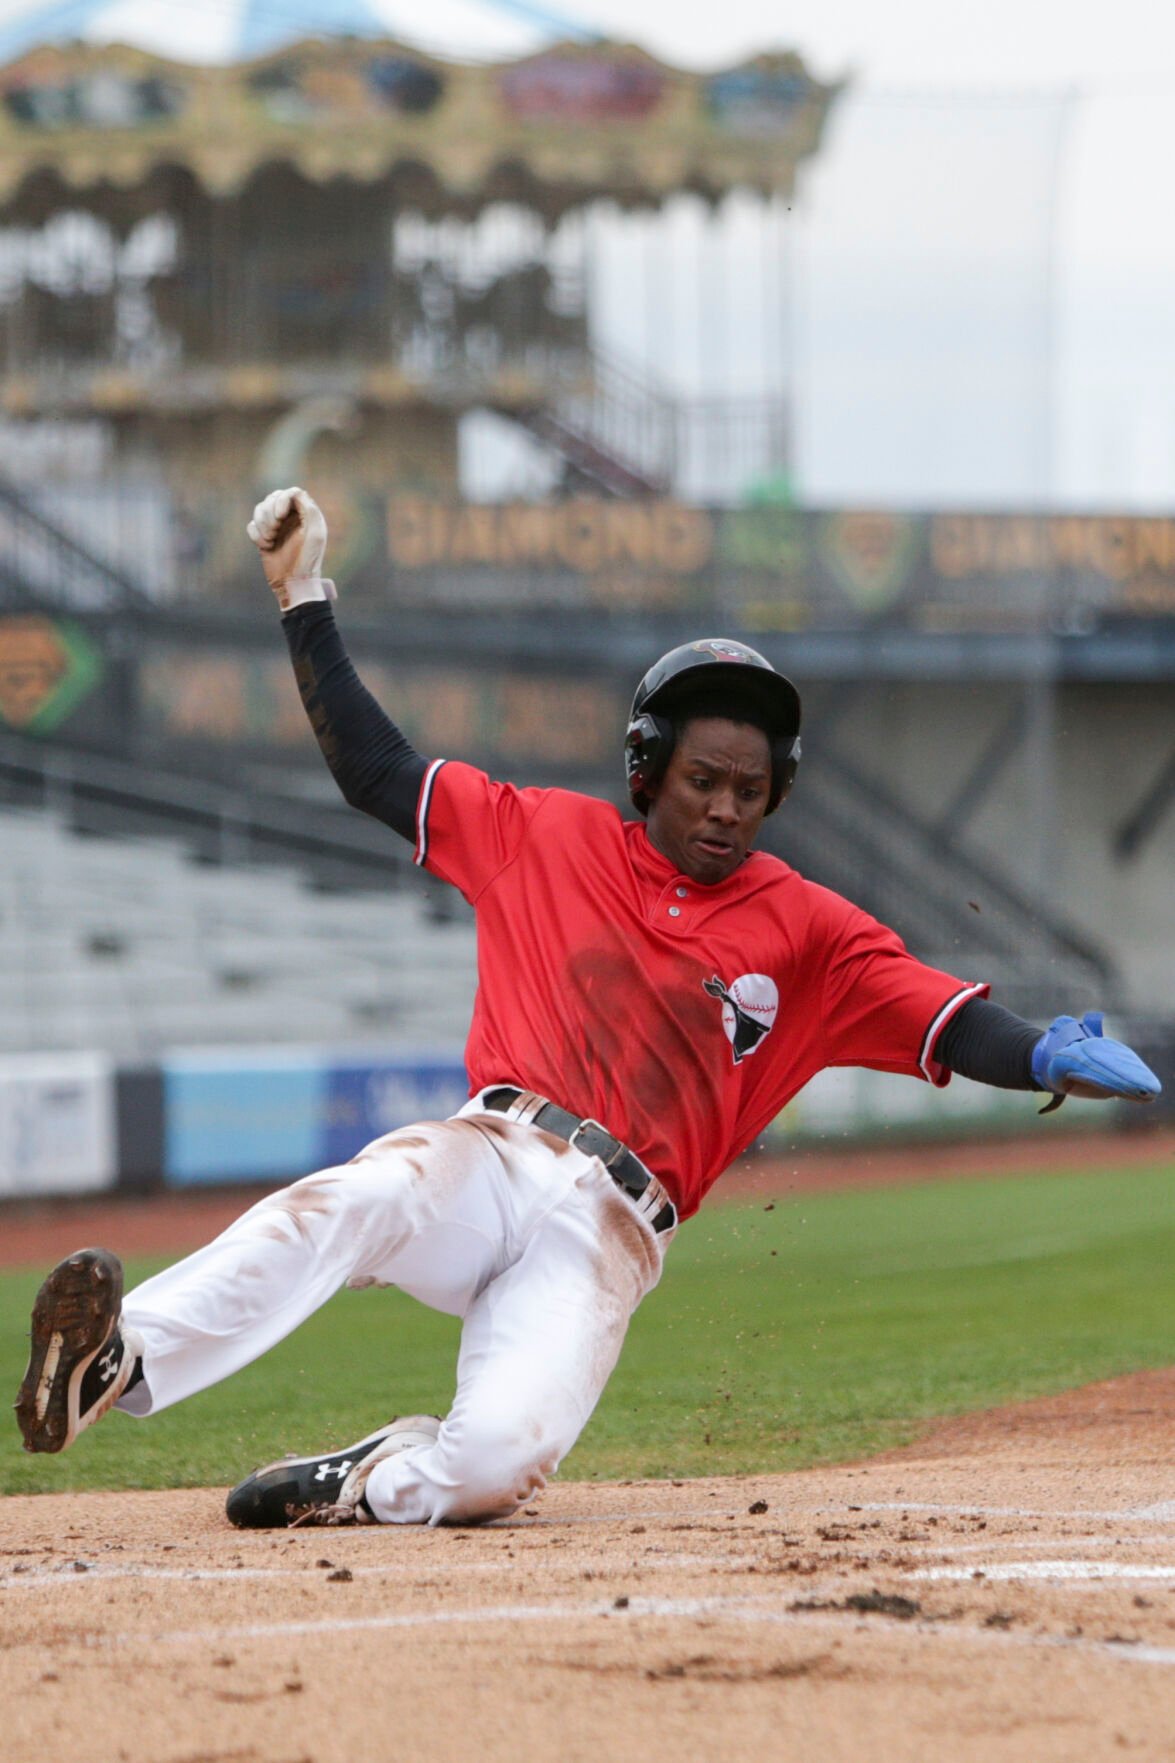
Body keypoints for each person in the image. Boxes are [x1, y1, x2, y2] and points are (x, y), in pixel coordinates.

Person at [15, 487, 1162, 1530]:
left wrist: (1044, 1049)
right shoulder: (541, 832)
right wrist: (304, 597)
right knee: (356, 1197)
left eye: (749, 789)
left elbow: (945, 1019)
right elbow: (378, 770)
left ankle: (370, 1478)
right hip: (495, 1149)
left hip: (611, 1228)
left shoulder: (809, 928)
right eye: (701, 778)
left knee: (492, 1469)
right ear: (646, 769)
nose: (723, 807)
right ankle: (121, 1357)